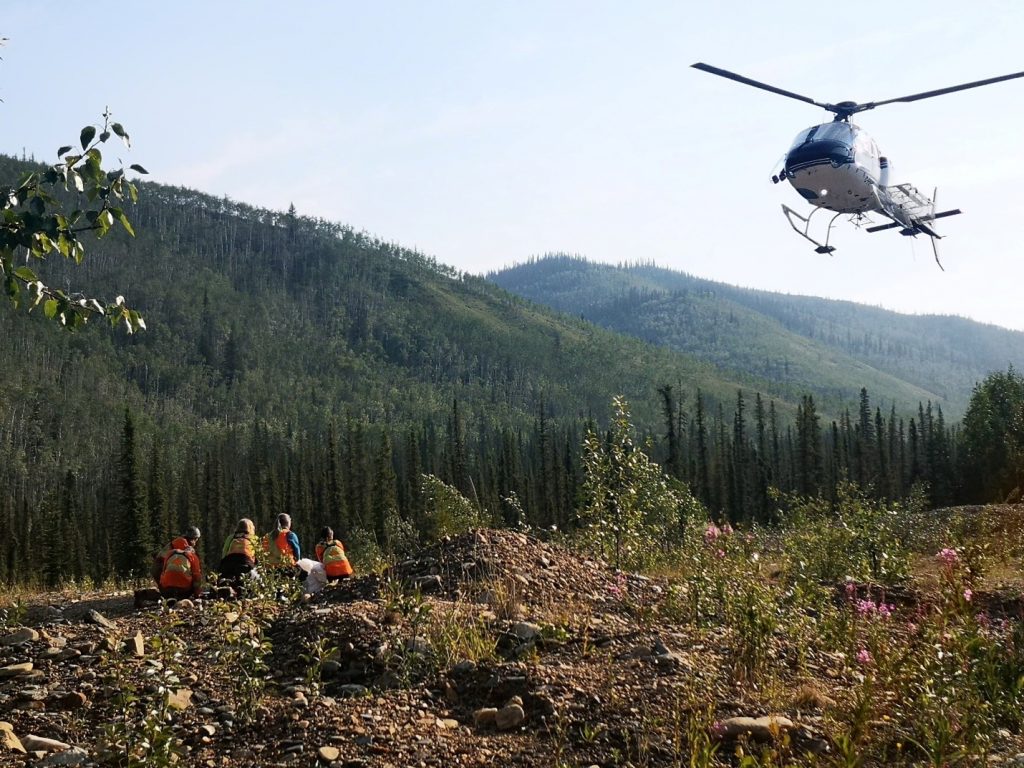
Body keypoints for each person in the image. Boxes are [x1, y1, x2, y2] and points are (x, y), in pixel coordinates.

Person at [153, 527, 202, 600]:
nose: (195, 543)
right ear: (194, 538)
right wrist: (197, 595)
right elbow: (196, 575)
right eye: (196, 540)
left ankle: (167, 594)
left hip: (161, 569)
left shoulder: (176, 544)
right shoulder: (185, 548)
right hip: (160, 566)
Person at [219, 518, 258, 583]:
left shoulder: (231, 537)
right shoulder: (254, 538)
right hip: (246, 564)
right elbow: (259, 556)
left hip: (228, 563)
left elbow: (224, 553)